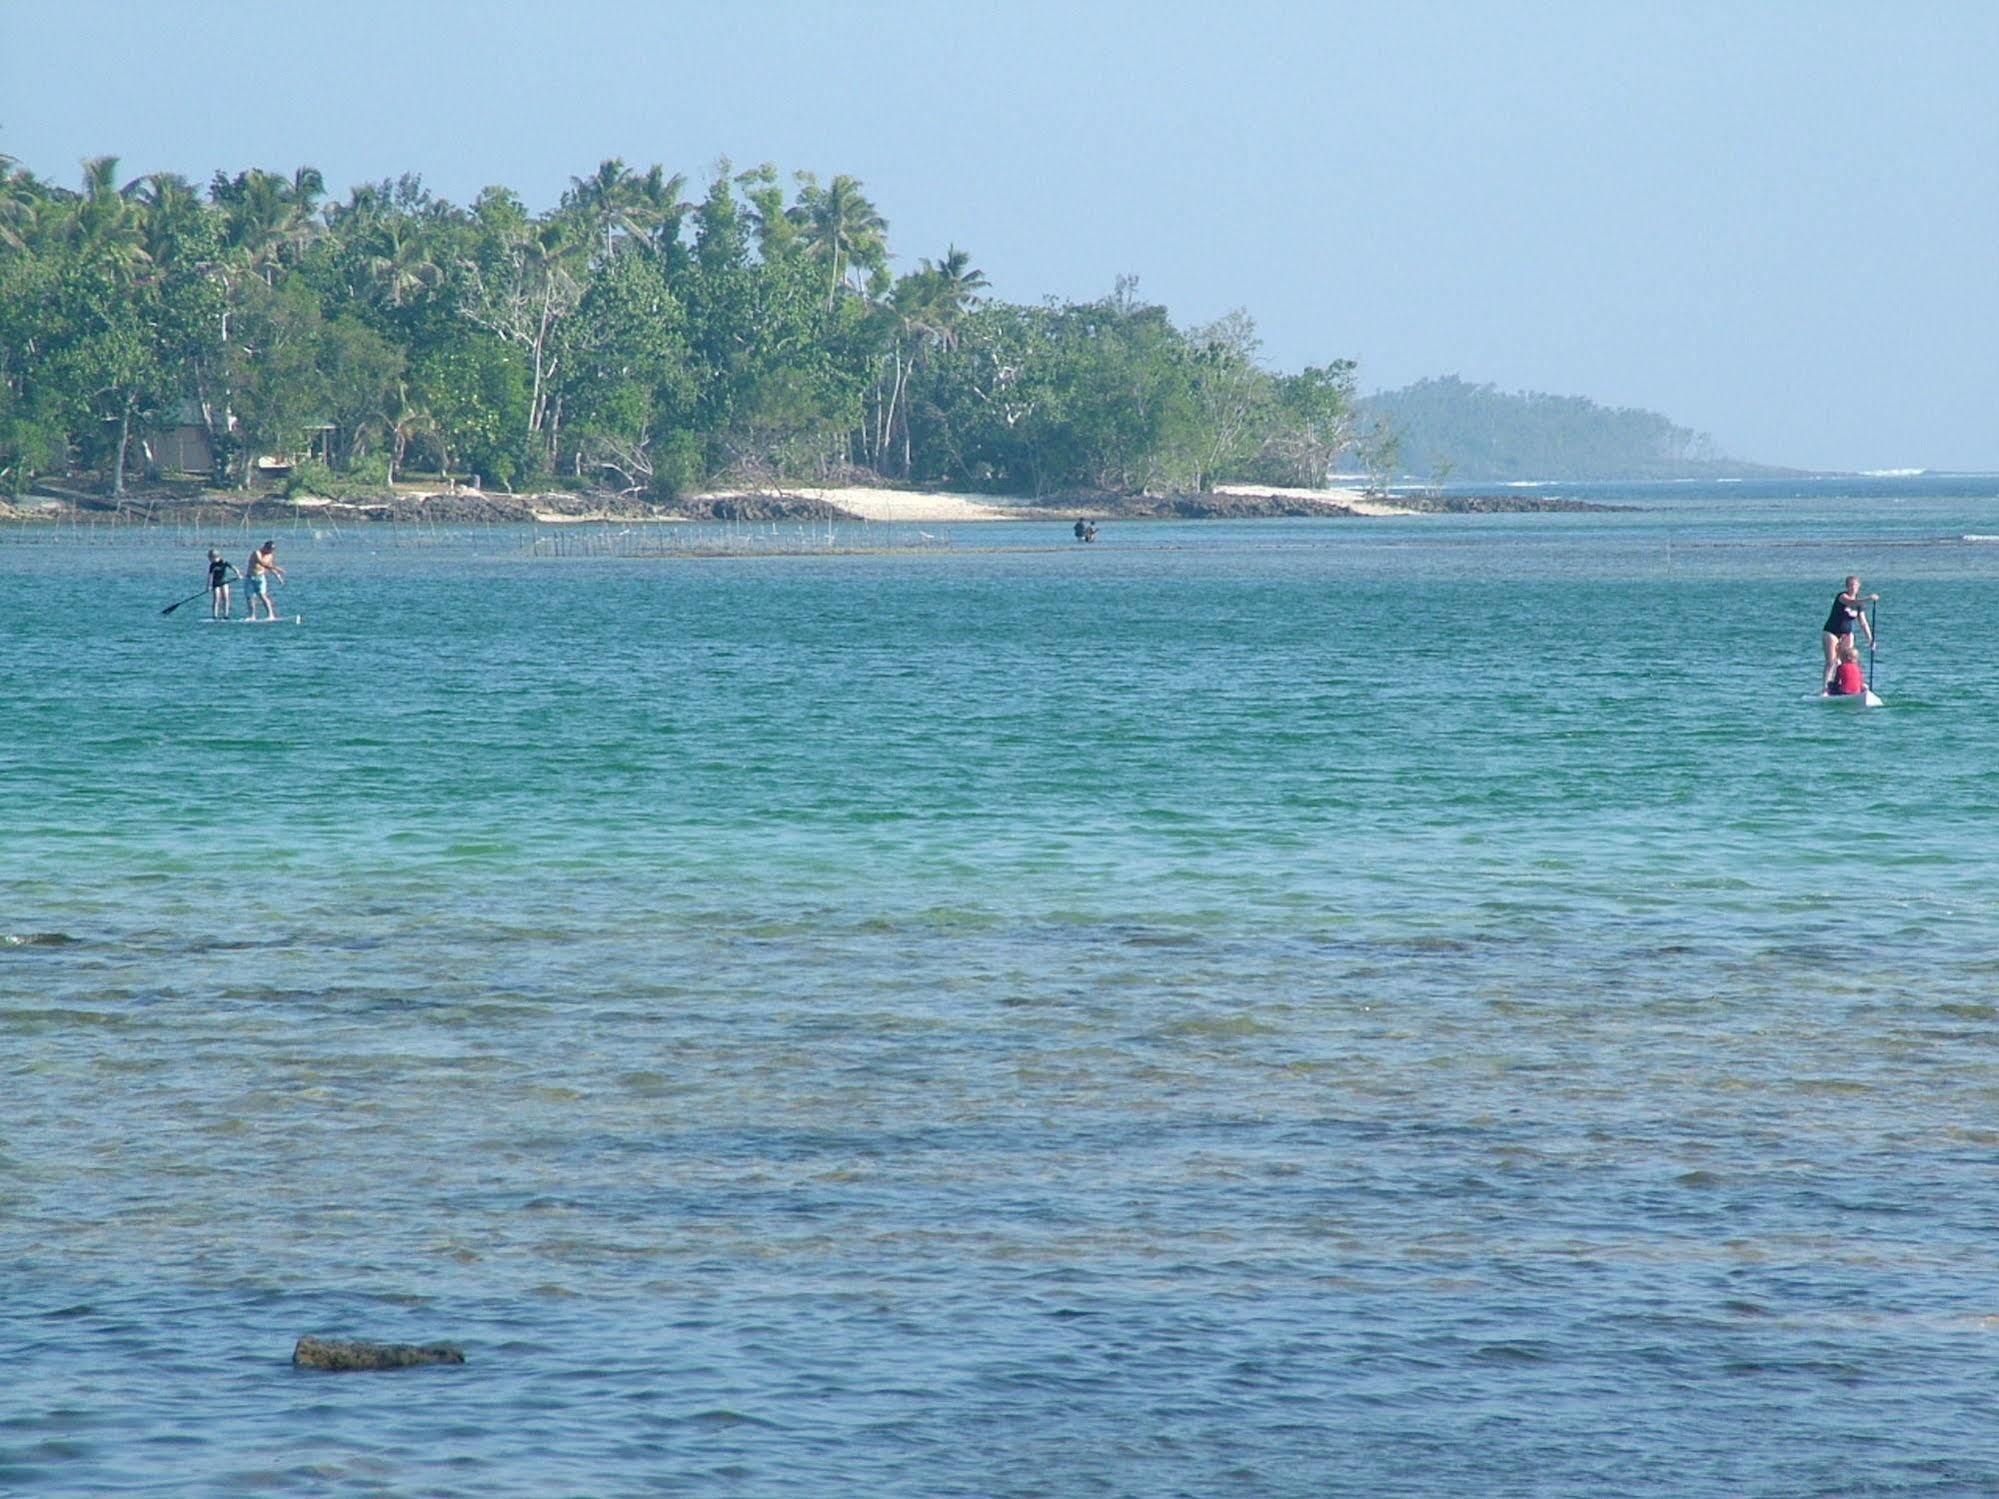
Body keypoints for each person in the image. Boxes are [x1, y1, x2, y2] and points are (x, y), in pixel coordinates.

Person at [1821, 575, 1876, 690]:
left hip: (1847, 634)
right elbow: (1851, 602)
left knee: (1848, 660)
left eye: (1855, 585)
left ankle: (1846, 685)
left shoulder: (1859, 605)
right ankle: (1825, 688)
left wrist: (1871, 640)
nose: (1852, 588)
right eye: (1850, 585)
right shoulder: (1842, 597)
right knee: (1832, 661)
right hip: (1831, 632)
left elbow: (1863, 623)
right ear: (1846, 586)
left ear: (1858, 587)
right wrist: (1869, 599)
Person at [244, 541, 285, 620]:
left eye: (272, 550)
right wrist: (276, 568)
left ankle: (270, 615)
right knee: (250, 597)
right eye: (270, 549)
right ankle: (252, 616)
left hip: (260, 578)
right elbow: (262, 563)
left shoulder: (270, 555)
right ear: (265, 547)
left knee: (262, 595)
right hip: (250, 577)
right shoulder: (256, 553)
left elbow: (269, 566)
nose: (270, 552)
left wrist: (278, 576)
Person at [206, 549, 238, 619]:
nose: (210, 560)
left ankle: (226, 615)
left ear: (214, 557)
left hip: (224, 582)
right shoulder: (212, 565)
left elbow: (233, 568)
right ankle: (215, 615)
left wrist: (238, 574)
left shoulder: (224, 562)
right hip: (215, 583)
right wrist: (208, 586)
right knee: (216, 598)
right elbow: (210, 576)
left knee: (226, 598)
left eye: (210, 558)